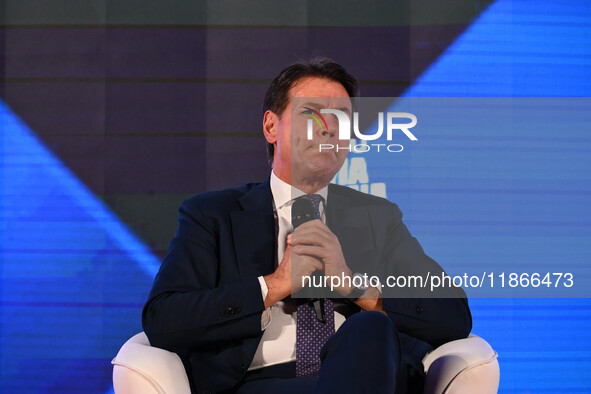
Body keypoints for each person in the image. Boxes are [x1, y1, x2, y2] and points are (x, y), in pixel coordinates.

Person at [142, 57, 472, 394]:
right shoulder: (213, 214)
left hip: (366, 376)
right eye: (310, 113)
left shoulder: (378, 217)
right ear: (271, 127)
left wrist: (355, 287)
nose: (328, 128)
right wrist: (274, 285)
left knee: (370, 327)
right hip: (261, 384)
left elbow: (453, 316)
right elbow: (164, 320)